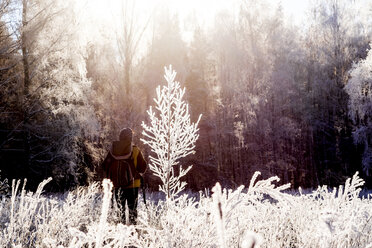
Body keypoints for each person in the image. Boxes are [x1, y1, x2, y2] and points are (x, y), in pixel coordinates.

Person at [101, 128, 147, 225]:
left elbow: (104, 166)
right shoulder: (135, 150)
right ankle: (133, 233)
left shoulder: (113, 150)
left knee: (120, 211)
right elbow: (143, 167)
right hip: (133, 185)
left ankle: (120, 233)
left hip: (117, 185)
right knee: (132, 210)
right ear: (130, 138)